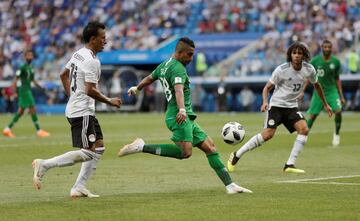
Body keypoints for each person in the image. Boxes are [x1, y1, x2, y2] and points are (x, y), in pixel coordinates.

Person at [118, 37, 252, 194]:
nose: (191, 58)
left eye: (192, 54)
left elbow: (150, 78)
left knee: (210, 147)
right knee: (185, 152)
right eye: (189, 54)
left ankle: (230, 186)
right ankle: (141, 147)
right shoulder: (178, 68)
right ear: (179, 52)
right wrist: (181, 110)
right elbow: (178, 89)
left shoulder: (164, 65)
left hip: (185, 115)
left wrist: (137, 87)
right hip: (178, 115)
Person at [32, 21, 121, 197]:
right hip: (82, 111)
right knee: (88, 152)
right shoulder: (91, 61)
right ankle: (44, 164)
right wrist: (109, 101)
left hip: (80, 108)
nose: (106, 41)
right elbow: (90, 90)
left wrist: (71, 95)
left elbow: (63, 75)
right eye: (103, 38)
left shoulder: (78, 54)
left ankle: (79, 187)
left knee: (99, 147)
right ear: (93, 39)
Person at [227, 42, 332, 174]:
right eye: (294, 53)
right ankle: (236, 155)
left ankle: (289, 164)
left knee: (304, 129)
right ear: (290, 55)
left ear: (304, 55)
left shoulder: (309, 69)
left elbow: (317, 86)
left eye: (300, 53)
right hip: (276, 106)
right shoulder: (281, 70)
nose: (297, 56)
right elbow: (267, 88)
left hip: (291, 107)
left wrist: (326, 104)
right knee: (267, 135)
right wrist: (265, 102)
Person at [2, 49, 50, 138]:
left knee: (20, 112)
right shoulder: (22, 67)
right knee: (32, 108)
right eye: (28, 55)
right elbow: (15, 79)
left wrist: (41, 87)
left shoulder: (31, 68)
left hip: (28, 90)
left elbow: (32, 80)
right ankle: (39, 131)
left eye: (31, 55)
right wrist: (13, 91)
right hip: (24, 91)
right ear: (25, 57)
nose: (30, 57)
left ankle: (7, 129)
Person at [307, 40, 346, 146]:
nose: (327, 49)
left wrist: (341, 96)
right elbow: (308, 77)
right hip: (319, 92)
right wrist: (302, 91)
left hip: (332, 91)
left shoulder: (336, 62)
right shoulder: (315, 61)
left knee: (338, 111)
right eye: (325, 47)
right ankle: (302, 136)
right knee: (313, 116)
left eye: (329, 47)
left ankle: (337, 134)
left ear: (331, 48)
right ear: (321, 48)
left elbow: (337, 79)